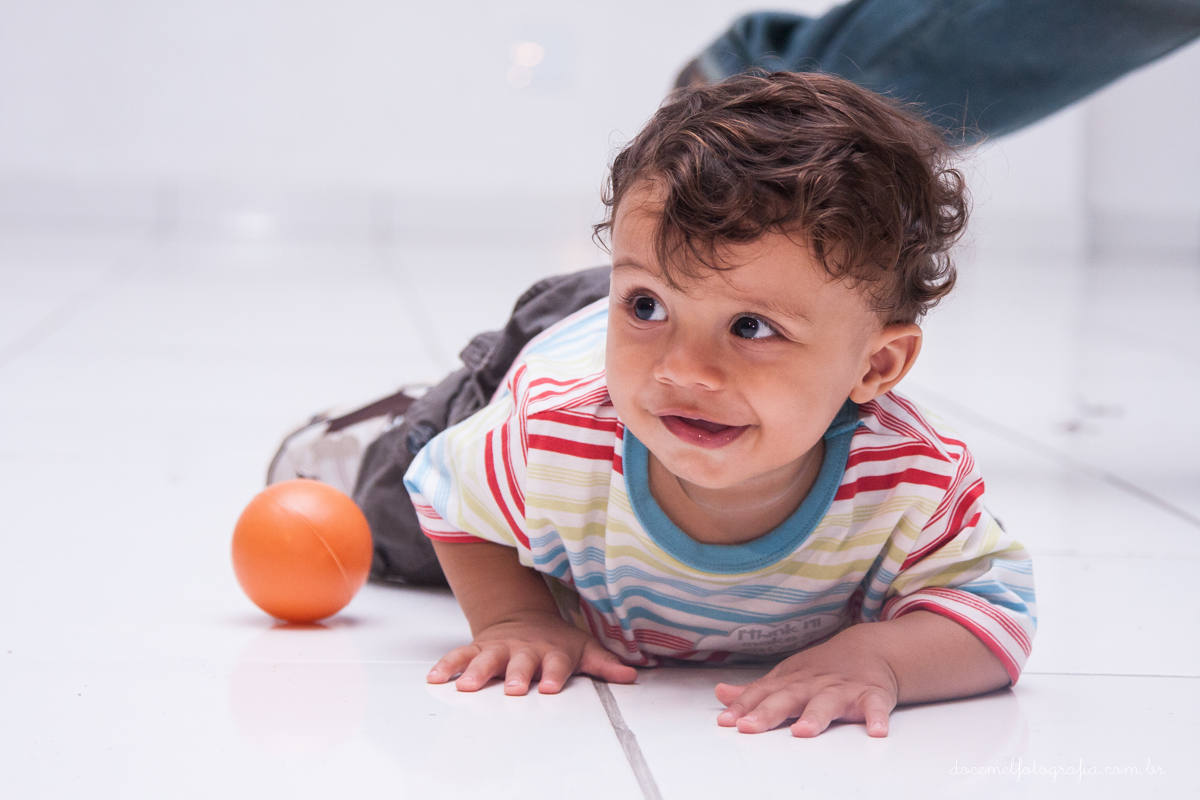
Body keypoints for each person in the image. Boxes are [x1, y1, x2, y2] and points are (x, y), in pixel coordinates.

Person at [394, 72, 1034, 738]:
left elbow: (996, 610)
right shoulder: (550, 434)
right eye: (645, 305)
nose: (686, 371)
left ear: (877, 365)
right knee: (394, 513)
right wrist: (515, 617)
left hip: (620, 329)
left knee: (685, 291)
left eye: (753, 327)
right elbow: (440, 488)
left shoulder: (911, 482)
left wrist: (880, 658)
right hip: (544, 348)